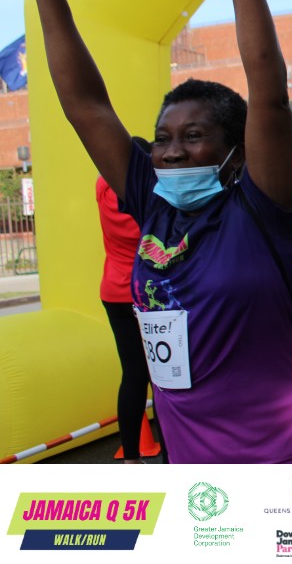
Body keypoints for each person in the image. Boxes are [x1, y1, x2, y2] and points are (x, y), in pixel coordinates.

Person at [23, 0, 292, 463]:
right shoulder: (151, 203)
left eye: (193, 136)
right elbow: (86, 106)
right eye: (162, 138)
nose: (171, 150)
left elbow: (269, 90)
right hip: (186, 447)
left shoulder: (260, 207)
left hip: (269, 444)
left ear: (236, 153)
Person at [97, 138, 153, 464]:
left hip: (114, 293)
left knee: (132, 374)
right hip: (149, 294)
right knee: (164, 377)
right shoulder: (149, 197)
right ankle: (175, 456)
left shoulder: (102, 187)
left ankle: (131, 458)